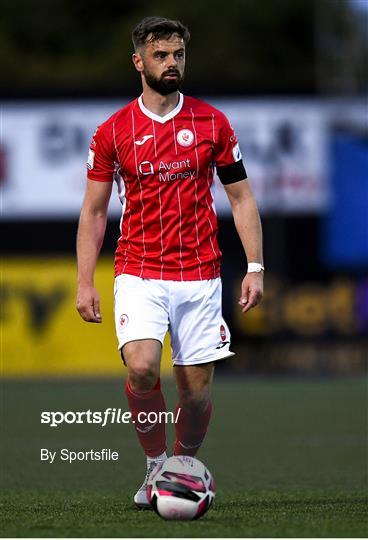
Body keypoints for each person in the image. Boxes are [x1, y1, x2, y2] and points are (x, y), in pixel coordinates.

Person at [76, 16, 264, 508]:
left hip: (200, 272)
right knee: (141, 368)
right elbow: (95, 211)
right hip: (139, 269)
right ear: (139, 62)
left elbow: (241, 199)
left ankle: (186, 464)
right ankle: (157, 466)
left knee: (196, 395)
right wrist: (84, 282)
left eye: (178, 54)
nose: (172, 62)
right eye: (161, 55)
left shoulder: (212, 123)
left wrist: (255, 267)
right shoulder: (113, 130)